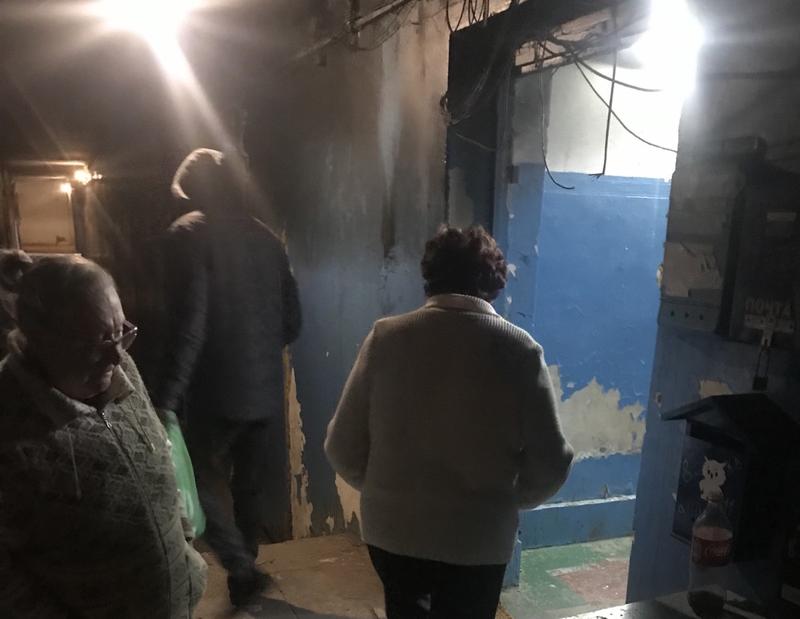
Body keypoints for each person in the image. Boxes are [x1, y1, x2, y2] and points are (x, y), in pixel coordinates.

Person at [325, 225, 574, 619]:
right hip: (478, 541)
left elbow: (341, 446)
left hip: (393, 536)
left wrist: (385, 491)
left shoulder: (386, 338)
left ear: (430, 276)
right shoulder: (521, 352)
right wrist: (506, 501)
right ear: (494, 282)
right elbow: (553, 461)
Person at [0, 252, 207, 618]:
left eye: (121, 332)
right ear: (40, 338)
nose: (116, 357)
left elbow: (157, 450)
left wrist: (183, 540)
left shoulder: (120, 366)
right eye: (96, 343)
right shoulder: (10, 420)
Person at [152, 148, 302, 608]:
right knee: (247, 486)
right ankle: (245, 573)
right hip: (264, 389)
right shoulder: (267, 239)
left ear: (192, 187)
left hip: (213, 389)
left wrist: (167, 396)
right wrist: (258, 353)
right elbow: (293, 321)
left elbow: (190, 322)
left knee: (197, 478)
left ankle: (241, 567)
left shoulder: (187, 234)